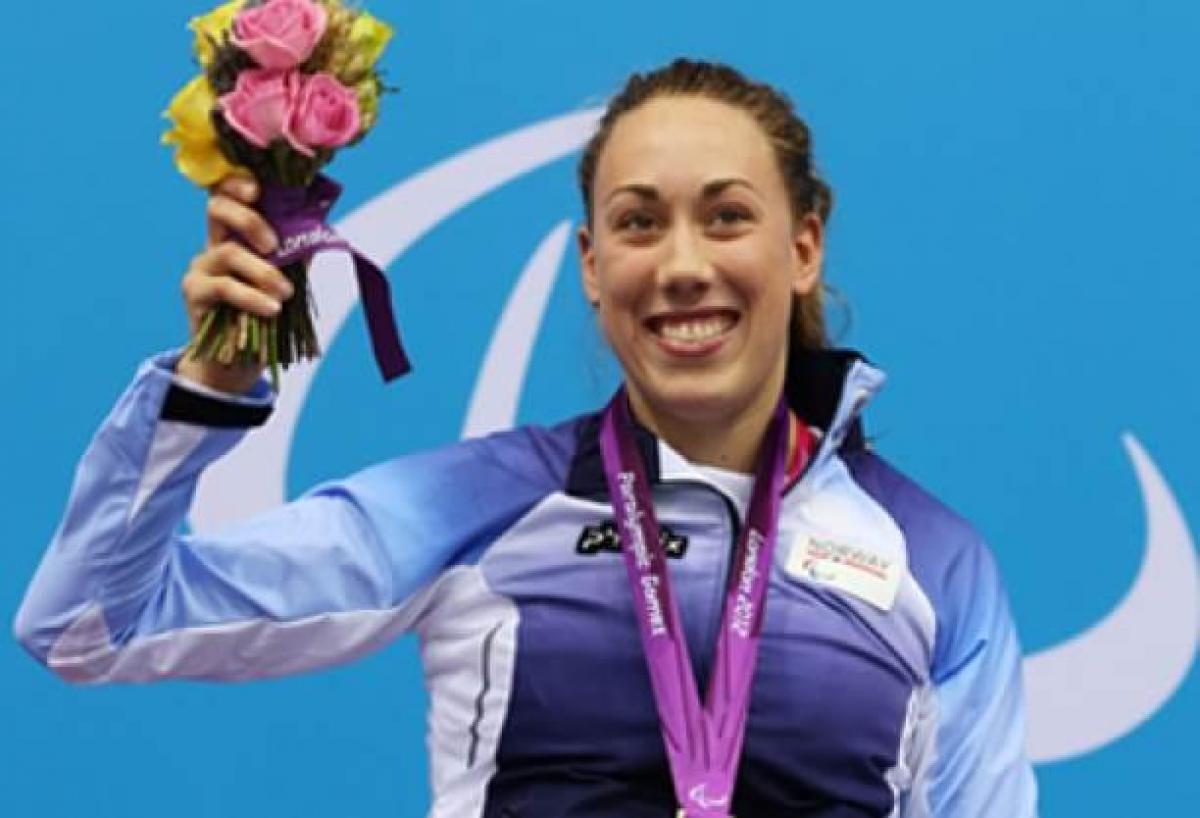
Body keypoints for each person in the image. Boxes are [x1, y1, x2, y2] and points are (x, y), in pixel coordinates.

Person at [13, 59, 1038, 817]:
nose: (682, 265)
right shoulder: (479, 507)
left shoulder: (936, 566)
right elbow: (92, 624)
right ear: (591, 266)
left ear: (803, 245)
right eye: (639, 224)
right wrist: (206, 390)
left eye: (726, 217)